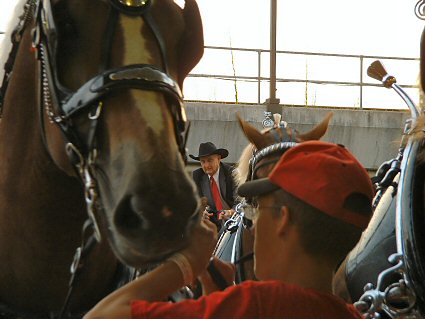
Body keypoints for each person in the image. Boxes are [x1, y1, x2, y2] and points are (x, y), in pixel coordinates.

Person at [83, 141, 374, 319]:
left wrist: (185, 264)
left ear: (283, 219)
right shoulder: (352, 313)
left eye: (258, 208)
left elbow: (102, 315)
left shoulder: (254, 305)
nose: (254, 223)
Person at [189, 142, 237, 229]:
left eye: (210, 160)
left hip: (234, 220)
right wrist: (202, 213)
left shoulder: (232, 173)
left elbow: (240, 201)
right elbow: (196, 203)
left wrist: (231, 212)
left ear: (218, 159)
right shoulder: (197, 176)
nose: (206, 165)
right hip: (212, 223)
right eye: (203, 161)